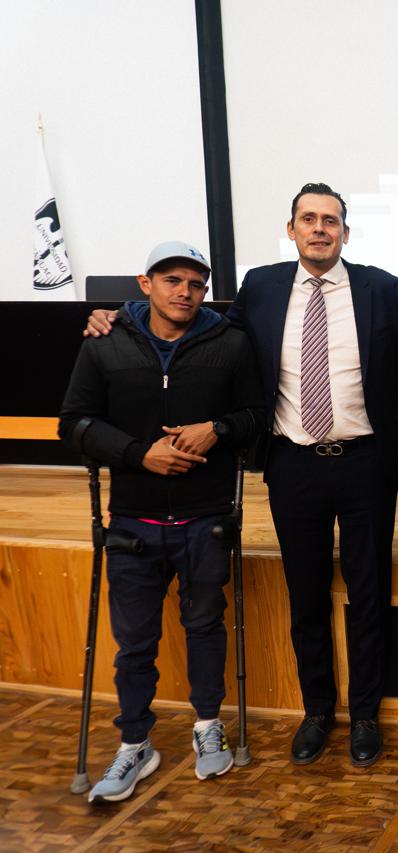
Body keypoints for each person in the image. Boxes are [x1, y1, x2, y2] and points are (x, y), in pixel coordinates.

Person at [85, 182, 398, 767]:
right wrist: (123, 317)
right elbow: (197, 326)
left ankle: (364, 715)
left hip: (365, 462)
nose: (319, 228)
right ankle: (317, 712)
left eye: (330, 220)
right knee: (305, 596)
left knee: (369, 594)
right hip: (292, 464)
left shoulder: (380, 288)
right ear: (291, 230)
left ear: (345, 231)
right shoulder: (261, 286)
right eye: (308, 219)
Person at [59, 242, 265, 802]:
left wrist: (218, 430)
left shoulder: (231, 344)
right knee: (134, 644)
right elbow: (74, 423)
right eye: (172, 280)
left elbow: (256, 416)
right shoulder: (105, 342)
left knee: (205, 627)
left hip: (205, 517)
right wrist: (136, 453)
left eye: (196, 284)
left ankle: (207, 725)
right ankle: (134, 745)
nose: (185, 292)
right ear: (144, 283)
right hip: (133, 521)